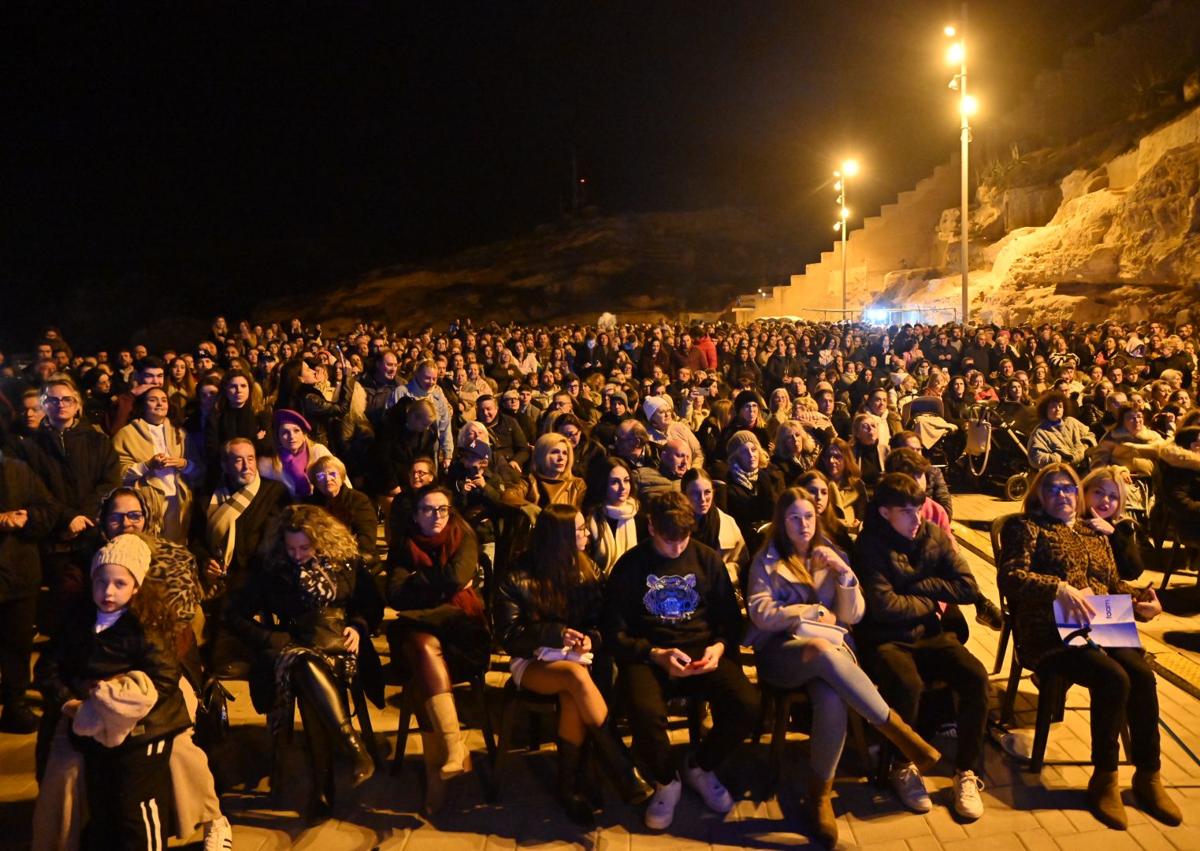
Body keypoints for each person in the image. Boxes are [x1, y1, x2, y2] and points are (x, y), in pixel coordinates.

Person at [745, 488, 940, 845]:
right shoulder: (766, 559)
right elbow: (759, 611)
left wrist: (842, 573)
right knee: (819, 648)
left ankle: (819, 796)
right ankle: (898, 731)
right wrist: (809, 612)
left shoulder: (833, 554)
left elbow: (855, 615)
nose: (803, 524)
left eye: (808, 516)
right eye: (794, 518)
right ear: (781, 521)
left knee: (832, 698)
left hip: (834, 653)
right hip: (783, 655)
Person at [999, 463, 1179, 830]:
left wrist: (1144, 604)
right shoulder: (1027, 527)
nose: (1062, 495)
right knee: (1113, 679)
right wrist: (1058, 588)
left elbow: (1112, 583)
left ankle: (1148, 775)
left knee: (1142, 675)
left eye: (1068, 488)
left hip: (1102, 621)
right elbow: (1011, 576)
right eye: (1053, 488)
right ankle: (1105, 778)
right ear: (1039, 494)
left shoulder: (1092, 532)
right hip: (1051, 628)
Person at [602, 491, 759, 831]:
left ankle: (700, 765)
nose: (676, 548)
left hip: (702, 652)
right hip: (650, 655)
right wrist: (655, 654)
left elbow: (731, 621)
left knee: (747, 705)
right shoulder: (630, 567)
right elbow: (615, 634)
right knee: (642, 711)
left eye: (683, 539)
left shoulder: (706, 560)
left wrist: (718, 648)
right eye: (667, 539)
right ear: (651, 526)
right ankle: (665, 780)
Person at [493, 505, 653, 825]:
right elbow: (508, 636)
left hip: (578, 658)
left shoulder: (588, 568)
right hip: (534, 659)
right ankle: (622, 767)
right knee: (574, 678)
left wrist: (590, 638)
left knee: (572, 689)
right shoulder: (517, 574)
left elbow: (603, 621)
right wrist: (555, 634)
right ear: (559, 537)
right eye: (579, 530)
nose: (586, 535)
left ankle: (569, 789)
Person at [35, 535, 190, 850]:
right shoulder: (78, 623)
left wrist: (120, 698)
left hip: (144, 733)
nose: (108, 592)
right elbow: (48, 667)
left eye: (120, 583)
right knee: (103, 806)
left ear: (136, 586)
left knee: (135, 808)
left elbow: (164, 678)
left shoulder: (144, 626)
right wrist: (68, 702)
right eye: (101, 582)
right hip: (94, 729)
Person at [225, 505, 381, 814]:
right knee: (304, 668)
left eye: (304, 547)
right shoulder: (273, 569)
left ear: (321, 540)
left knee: (308, 675)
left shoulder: (346, 562)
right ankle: (349, 749)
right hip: (296, 645)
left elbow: (373, 603)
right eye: (291, 547)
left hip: (343, 645)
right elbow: (233, 615)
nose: (297, 554)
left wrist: (359, 627)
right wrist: (271, 638)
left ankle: (324, 789)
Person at [854, 473, 989, 820]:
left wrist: (920, 588)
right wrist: (932, 599)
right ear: (885, 513)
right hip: (887, 638)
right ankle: (902, 765)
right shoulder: (870, 545)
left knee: (974, 676)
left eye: (919, 509)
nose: (917, 519)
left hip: (930, 634)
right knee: (906, 684)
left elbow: (968, 587)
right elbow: (883, 606)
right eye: (907, 512)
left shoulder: (932, 535)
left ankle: (966, 772)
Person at [386, 486, 490, 801]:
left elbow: (455, 579)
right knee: (421, 648)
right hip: (424, 636)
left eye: (443, 509)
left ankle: (437, 776)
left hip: (463, 635)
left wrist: (419, 580)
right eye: (429, 510)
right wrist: (439, 584)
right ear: (416, 515)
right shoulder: (404, 545)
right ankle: (454, 748)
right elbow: (394, 593)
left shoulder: (464, 536)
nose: (437, 516)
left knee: (420, 670)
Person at [26, 377, 123, 633]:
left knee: (102, 599)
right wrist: (67, 517)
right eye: (53, 400)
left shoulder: (97, 441)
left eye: (66, 399)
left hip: (93, 533)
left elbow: (110, 481)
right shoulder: (32, 445)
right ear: (44, 405)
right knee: (67, 602)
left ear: (77, 404)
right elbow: (35, 489)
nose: (61, 404)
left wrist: (84, 516)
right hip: (57, 538)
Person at [0, 449, 57, 733]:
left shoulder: (18, 469)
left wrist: (28, 518)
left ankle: (14, 704)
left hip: (19, 574)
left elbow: (48, 510)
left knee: (17, 644)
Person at [113, 386, 199, 544]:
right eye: (153, 400)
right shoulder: (126, 434)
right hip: (146, 502)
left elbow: (198, 469)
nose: (160, 404)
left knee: (174, 551)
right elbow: (119, 473)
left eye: (164, 400)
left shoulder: (179, 432)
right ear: (143, 406)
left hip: (177, 502)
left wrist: (183, 463)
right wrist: (147, 465)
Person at [682, 467, 748, 597]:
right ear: (684, 494)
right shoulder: (676, 526)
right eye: (695, 493)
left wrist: (725, 575)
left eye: (707, 492)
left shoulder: (727, 523)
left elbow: (742, 562)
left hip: (720, 591)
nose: (702, 499)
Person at [305, 455, 378, 567]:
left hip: (353, 556)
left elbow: (367, 540)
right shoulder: (310, 505)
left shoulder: (358, 500)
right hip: (319, 558)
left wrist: (338, 555)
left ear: (341, 477)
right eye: (320, 476)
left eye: (332, 474)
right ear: (315, 482)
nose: (328, 479)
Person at [1079, 466, 1144, 581]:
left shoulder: (1121, 527)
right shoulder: (1069, 521)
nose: (1105, 500)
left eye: (1113, 497)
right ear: (1084, 492)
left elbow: (1133, 572)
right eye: (1098, 492)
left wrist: (1113, 535)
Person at [258, 409, 336, 499]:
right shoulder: (274, 463)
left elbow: (340, 478)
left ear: (304, 434)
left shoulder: (318, 452)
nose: (292, 436)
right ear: (278, 437)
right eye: (285, 432)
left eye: (296, 430)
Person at [585, 457, 644, 575]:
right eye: (615, 482)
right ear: (603, 484)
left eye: (626, 480)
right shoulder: (591, 518)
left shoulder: (641, 519)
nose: (623, 487)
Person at [1028, 390, 1096, 469]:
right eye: (1053, 406)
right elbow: (1036, 458)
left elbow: (1090, 434)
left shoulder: (1071, 421)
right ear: (1045, 409)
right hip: (1062, 473)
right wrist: (1059, 459)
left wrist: (1085, 447)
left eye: (1060, 406)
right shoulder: (1040, 433)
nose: (1057, 409)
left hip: (1085, 468)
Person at [523, 433, 586, 510]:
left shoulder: (576, 484)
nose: (561, 458)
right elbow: (508, 497)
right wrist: (531, 508)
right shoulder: (529, 482)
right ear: (541, 455)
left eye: (565, 453)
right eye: (555, 452)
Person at [815, 437, 867, 531]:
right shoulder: (817, 483)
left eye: (837, 456)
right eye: (828, 456)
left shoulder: (857, 484)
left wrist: (859, 523)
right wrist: (835, 522)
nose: (831, 461)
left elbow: (863, 513)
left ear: (846, 458)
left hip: (853, 533)